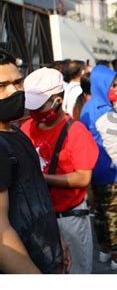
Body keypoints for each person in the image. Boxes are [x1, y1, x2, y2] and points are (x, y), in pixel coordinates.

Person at [21, 67, 99, 274]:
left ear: (57, 100)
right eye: (31, 108)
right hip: (38, 220)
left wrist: (42, 178)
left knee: (75, 273)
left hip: (69, 219)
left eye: (39, 107)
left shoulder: (77, 132)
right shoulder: (26, 128)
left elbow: (83, 178)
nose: (33, 113)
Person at [0, 50, 65, 273]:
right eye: (2, 86)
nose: (14, 91)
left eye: (17, 82)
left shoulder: (16, 133)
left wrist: (59, 241)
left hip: (48, 255)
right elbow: (1, 232)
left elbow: (37, 197)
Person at [80, 64, 117, 270]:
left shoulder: (90, 106)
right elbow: (113, 146)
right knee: (112, 216)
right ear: (101, 85)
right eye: (112, 85)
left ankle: (104, 251)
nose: (115, 89)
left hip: (95, 168)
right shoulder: (103, 111)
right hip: (111, 171)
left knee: (100, 214)